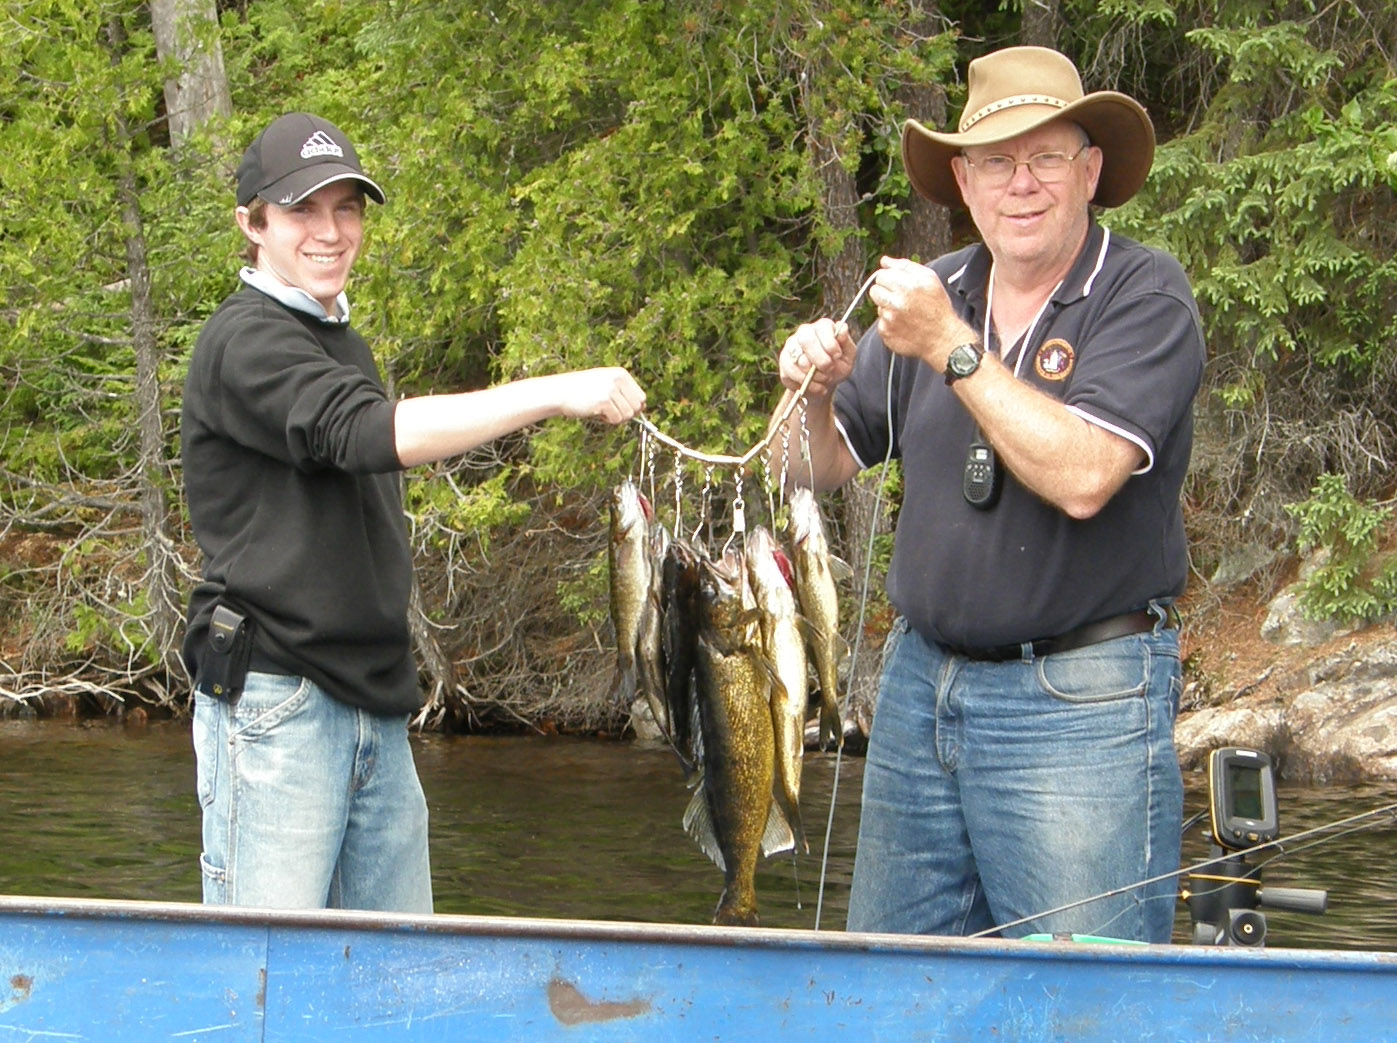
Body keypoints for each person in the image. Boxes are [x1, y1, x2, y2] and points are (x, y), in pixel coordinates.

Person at [774, 47, 1204, 942]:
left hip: (1081, 704)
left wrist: (953, 349)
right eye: (997, 163)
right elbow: (808, 467)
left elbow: (1085, 476)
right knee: (891, 996)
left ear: (1089, 172)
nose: (1022, 184)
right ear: (963, 184)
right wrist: (806, 393)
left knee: (1083, 1007)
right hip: (916, 692)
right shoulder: (940, 294)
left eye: (1046, 157)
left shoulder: (1142, 293)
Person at [181, 112, 646, 913]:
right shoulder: (245, 341)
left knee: (396, 987)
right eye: (301, 211)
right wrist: (554, 392)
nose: (329, 232)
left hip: (374, 706)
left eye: (346, 207)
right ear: (250, 225)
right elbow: (372, 433)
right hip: (276, 707)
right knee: (267, 987)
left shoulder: (336, 338)